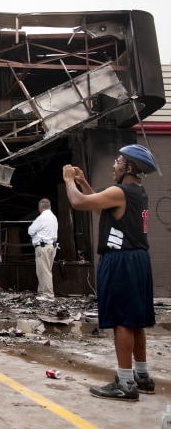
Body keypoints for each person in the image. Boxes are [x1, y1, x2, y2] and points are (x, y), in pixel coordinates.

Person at [62, 144, 158, 401]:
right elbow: (101, 207)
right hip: (138, 260)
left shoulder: (121, 191)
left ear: (129, 168)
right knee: (135, 321)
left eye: (117, 161)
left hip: (121, 261)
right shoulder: (137, 192)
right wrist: (83, 182)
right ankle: (142, 375)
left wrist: (70, 181)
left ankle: (125, 383)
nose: (113, 165)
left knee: (122, 321)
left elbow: (79, 202)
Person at [27, 198, 58, 301]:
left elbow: (30, 231)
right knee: (45, 270)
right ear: (49, 206)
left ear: (40, 208)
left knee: (44, 271)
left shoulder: (42, 217)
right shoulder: (53, 217)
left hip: (42, 247)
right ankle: (42, 292)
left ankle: (48, 294)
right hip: (51, 246)